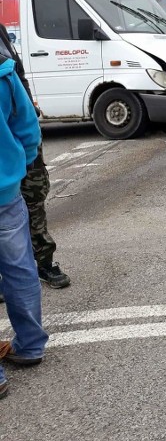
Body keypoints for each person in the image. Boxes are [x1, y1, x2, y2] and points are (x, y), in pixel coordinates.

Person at [0, 22, 70, 293]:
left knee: (34, 195)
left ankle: (43, 261)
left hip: (21, 128)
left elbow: (17, 72)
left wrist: (28, 103)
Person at [0, 51, 50, 398]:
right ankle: (31, 344)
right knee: (20, 268)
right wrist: (24, 161)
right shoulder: (2, 69)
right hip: (5, 190)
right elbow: (26, 123)